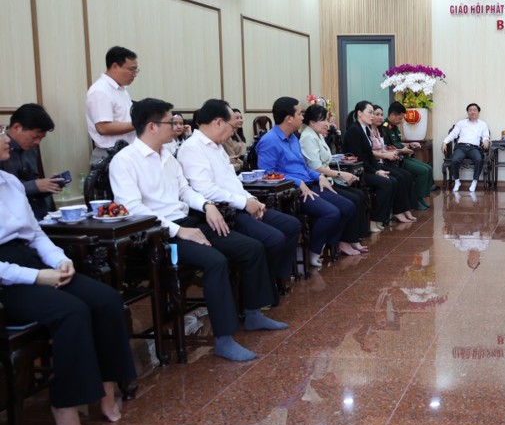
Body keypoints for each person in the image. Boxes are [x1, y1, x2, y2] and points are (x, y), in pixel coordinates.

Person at [110, 98, 286, 362]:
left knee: (251, 248)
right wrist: (177, 231)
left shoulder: (167, 156)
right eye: (170, 122)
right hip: (157, 236)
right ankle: (224, 339)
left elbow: (185, 191)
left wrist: (206, 205)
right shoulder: (125, 161)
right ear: (152, 126)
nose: (176, 126)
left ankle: (253, 313)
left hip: (186, 222)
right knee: (215, 261)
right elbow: (133, 209)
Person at [0, 128, 136, 425]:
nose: (6, 139)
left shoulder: (9, 182)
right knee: (71, 311)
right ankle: (65, 404)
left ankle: (106, 386)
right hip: (7, 281)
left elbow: (35, 235)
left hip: (32, 260)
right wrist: (36, 277)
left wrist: (60, 260)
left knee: (106, 300)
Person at [178, 99, 303, 288]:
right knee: (274, 238)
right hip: (225, 212)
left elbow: (233, 182)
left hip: (240, 203)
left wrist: (251, 199)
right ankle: (265, 285)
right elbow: (205, 189)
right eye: (232, 126)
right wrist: (244, 203)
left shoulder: (217, 146)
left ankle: (276, 277)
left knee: (291, 225)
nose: (233, 131)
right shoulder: (192, 148)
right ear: (218, 122)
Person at [256, 97, 359, 265]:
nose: (302, 117)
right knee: (331, 213)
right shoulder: (269, 141)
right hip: (292, 191)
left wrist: (319, 176)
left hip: (310, 183)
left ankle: (331, 244)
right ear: (289, 118)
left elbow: (304, 167)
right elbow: (267, 174)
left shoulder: (293, 138)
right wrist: (297, 182)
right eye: (299, 114)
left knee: (348, 206)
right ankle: (314, 250)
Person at [299, 103, 371, 254]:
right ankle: (342, 241)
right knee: (352, 201)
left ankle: (353, 239)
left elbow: (327, 159)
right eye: (323, 120)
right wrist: (340, 174)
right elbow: (316, 167)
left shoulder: (317, 134)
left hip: (328, 179)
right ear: (312, 122)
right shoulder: (307, 137)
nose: (326, 123)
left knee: (359, 195)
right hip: (318, 181)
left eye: (326, 119)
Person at [343, 100, 417, 231]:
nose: (372, 116)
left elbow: (369, 155)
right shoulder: (354, 130)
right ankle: (374, 220)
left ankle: (382, 218)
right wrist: (375, 171)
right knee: (387, 183)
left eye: (373, 113)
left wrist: (378, 170)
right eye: (370, 113)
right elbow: (359, 157)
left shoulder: (365, 129)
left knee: (393, 180)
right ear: (359, 113)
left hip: (369, 167)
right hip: (359, 171)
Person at [0, 103, 61, 219]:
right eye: (35, 137)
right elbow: (4, 193)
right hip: (11, 216)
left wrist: (49, 185)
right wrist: (35, 186)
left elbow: (34, 182)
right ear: (17, 127)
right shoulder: (2, 151)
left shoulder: (31, 148)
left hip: (36, 212)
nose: (37, 142)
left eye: (41, 138)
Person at [86, 46, 138, 165]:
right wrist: (138, 123)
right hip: (109, 155)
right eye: (131, 69)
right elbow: (103, 128)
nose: (134, 74)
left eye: (136, 70)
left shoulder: (121, 89)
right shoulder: (100, 91)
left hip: (125, 151)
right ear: (115, 66)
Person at [370, 105, 420, 212]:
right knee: (400, 178)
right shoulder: (381, 128)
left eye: (381, 115)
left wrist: (408, 145)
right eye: (377, 114)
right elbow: (376, 150)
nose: (380, 117)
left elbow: (387, 147)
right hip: (379, 163)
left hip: (387, 159)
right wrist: (398, 151)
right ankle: (399, 210)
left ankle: (409, 207)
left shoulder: (380, 130)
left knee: (407, 176)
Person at [384, 101, 434, 205]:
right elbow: (387, 148)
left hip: (403, 156)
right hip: (397, 160)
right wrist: (402, 150)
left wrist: (410, 144)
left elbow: (397, 143)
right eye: (400, 118)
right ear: (393, 115)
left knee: (429, 168)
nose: (401, 121)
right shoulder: (385, 128)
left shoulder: (394, 127)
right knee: (423, 171)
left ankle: (422, 197)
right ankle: (416, 200)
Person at [441, 103, 490, 192]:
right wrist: (445, 142)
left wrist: (486, 140)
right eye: (470, 110)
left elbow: (485, 135)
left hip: (474, 148)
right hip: (461, 147)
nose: (472, 112)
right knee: (454, 160)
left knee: (479, 159)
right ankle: (457, 181)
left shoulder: (483, 124)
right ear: (467, 112)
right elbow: (453, 134)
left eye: (474, 110)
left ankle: (474, 181)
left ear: (478, 112)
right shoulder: (461, 123)